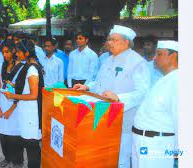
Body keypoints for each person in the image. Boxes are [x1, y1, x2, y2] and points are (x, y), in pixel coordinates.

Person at [73, 25, 150, 168]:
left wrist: (119, 98)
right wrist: (88, 87)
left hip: (123, 121)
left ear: (126, 43)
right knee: (105, 157)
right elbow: (101, 82)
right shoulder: (108, 59)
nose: (109, 43)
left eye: (114, 40)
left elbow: (143, 92)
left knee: (120, 159)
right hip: (102, 117)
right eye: (109, 40)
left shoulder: (137, 63)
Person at [132, 40, 178, 168]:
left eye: (159, 54)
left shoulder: (177, 81)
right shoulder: (165, 79)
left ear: (173, 56)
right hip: (145, 142)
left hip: (158, 144)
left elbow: (180, 119)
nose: (154, 58)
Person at [3, 39, 44, 168]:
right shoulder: (27, 66)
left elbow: (33, 95)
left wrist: (13, 95)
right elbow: (26, 87)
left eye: (19, 51)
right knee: (28, 142)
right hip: (26, 111)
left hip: (31, 113)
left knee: (32, 146)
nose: (17, 54)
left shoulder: (32, 69)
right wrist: (14, 85)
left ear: (26, 53)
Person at [0, 40, 24, 168]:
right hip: (3, 102)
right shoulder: (1, 65)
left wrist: (11, 109)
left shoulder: (22, 67)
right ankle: (7, 157)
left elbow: (21, 91)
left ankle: (18, 160)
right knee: (3, 133)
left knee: (15, 134)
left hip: (15, 104)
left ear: (14, 51)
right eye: (3, 52)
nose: (5, 55)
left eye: (7, 52)